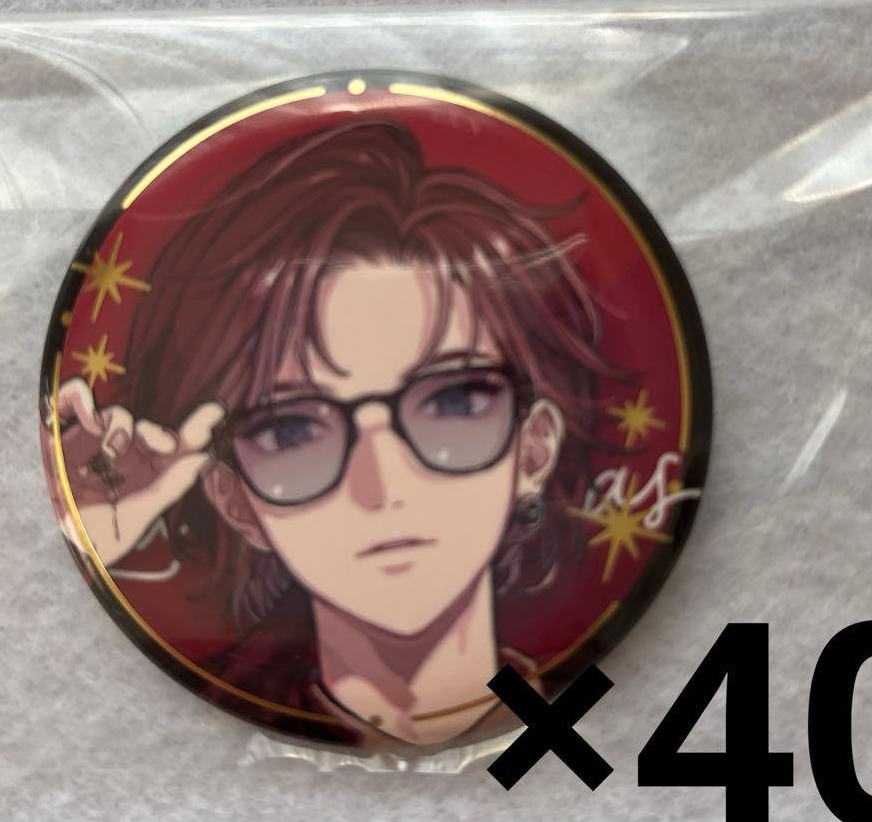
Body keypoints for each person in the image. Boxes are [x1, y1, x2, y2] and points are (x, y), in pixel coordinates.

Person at [53, 119, 626, 746]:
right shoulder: (184, 734)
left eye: (453, 402)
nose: (383, 488)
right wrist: (82, 552)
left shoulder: (615, 726)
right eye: (292, 431)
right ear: (235, 499)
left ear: (533, 448)